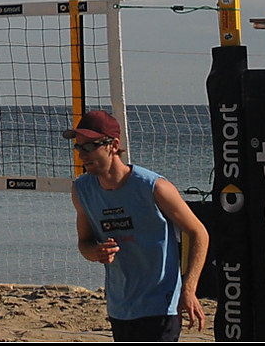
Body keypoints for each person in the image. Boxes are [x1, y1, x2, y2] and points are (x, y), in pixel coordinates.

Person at [66, 109, 209, 342]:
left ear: (113, 145)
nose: (82, 154)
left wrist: (189, 289)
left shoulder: (153, 187)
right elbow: (84, 242)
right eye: (78, 147)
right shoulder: (82, 190)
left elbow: (198, 232)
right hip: (120, 307)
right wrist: (95, 252)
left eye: (90, 146)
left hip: (160, 306)